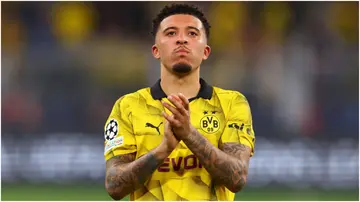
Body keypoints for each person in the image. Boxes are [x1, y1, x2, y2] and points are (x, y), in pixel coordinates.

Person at [103, 3, 255, 201]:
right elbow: (114, 186)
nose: (182, 39)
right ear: (156, 50)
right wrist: (163, 149)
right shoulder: (128, 107)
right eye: (171, 33)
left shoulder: (232, 103)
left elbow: (237, 178)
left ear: (206, 52)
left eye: (192, 34)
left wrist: (189, 134)